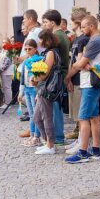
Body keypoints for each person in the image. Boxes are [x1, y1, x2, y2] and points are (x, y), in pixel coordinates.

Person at [65, 15, 100, 163]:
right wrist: (84, 64)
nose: (82, 30)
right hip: (90, 82)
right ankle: (96, 150)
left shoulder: (94, 41)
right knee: (94, 117)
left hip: (90, 83)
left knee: (83, 118)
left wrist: (82, 63)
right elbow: (83, 63)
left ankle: (82, 152)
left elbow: (78, 64)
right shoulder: (95, 40)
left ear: (91, 26)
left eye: (84, 26)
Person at [42, 9, 70, 145]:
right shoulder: (61, 34)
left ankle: (58, 136)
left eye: (46, 22)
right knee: (55, 105)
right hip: (60, 74)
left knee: (55, 106)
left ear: (53, 23)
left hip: (57, 76)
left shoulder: (58, 36)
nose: (44, 24)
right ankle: (57, 135)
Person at [32, 30, 61, 155]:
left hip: (47, 89)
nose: (39, 41)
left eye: (41, 39)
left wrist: (34, 78)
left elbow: (45, 73)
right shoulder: (49, 52)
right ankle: (47, 142)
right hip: (43, 89)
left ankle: (50, 145)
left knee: (46, 117)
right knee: (37, 118)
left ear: (47, 40)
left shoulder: (51, 53)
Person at [63, 8, 90, 143]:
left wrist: (68, 77)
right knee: (75, 110)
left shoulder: (84, 39)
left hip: (80, 78)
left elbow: (79, 63)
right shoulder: (76, 39)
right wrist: (68, 77)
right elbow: (72, 59)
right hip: (73, 77)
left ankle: (81, 138)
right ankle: (79, 134)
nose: (70, 24)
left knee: (81, 111)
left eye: (72, 21)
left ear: (77, 23)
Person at [18, 39, 42, 147]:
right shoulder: (26, 61)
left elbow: (40, 78)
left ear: (35, 49)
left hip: (34, 89)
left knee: (36, 114)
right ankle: (32, 135)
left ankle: (37, 136)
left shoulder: (38, 60)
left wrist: (38, 91)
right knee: (31, 114)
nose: (27, 51)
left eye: (30, 49)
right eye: (26, 49)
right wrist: (20, 92)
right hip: (27, 89)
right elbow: (22, 78)